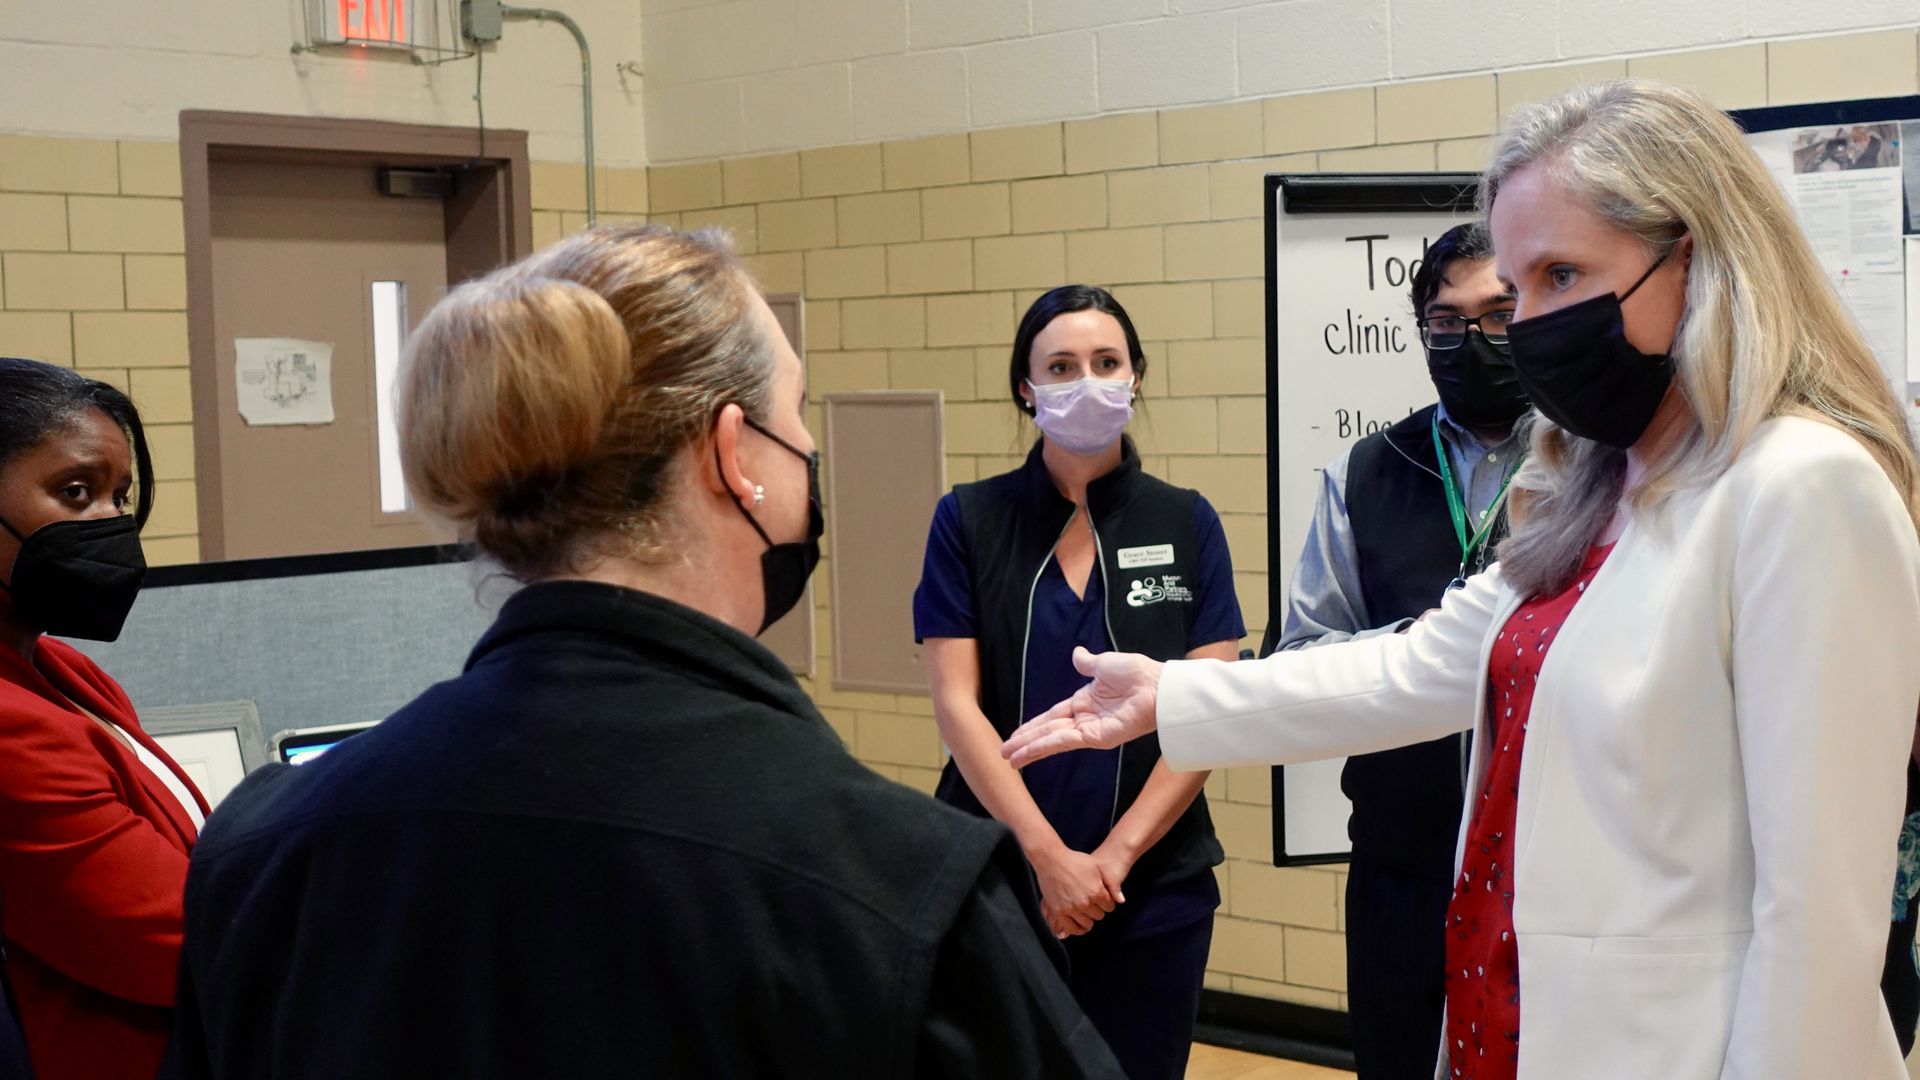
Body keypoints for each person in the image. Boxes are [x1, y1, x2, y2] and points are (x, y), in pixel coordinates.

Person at [1004, 79, 1920, 1080]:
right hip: (1511, 1022)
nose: (1526, 325)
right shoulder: (1598, 489)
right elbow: (1419, 668)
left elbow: (1821, 926)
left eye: (1559, 274)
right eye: (1519, 287)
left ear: (1695, 258)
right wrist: (1173, 693)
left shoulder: (1802, 486)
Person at [161, 226, 1123, 1080]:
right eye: (795, 413)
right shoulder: (896, 885)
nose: (807, 452)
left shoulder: (264, 847)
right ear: (732, 454)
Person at [914, 285, 1244, 1080]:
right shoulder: (969, 520)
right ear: (1026, 390)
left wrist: (1114, 861)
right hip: (999, 880)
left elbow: (1213, 704)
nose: (1086, 380)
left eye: (1106, 362)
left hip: (1151, 888)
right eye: (1060, 367)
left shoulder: (1186, 521)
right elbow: (956, 704)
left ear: (1137, 377)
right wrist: (1049, 859)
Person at [1274, 222, 1523, 1080]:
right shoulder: (1366, 472)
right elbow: (1304, 654)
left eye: (1498, 314)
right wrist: (1419, 649)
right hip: (1400, 862)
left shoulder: (1595, 462)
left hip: (1547, 867)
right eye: (1446, 322)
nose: (1470, 341)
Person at [0, 357, 207, 1080]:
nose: (110, 522)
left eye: (119, 495)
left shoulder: (64, 670)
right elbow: (184, 940)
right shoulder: (7, 729)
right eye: (76, 491)